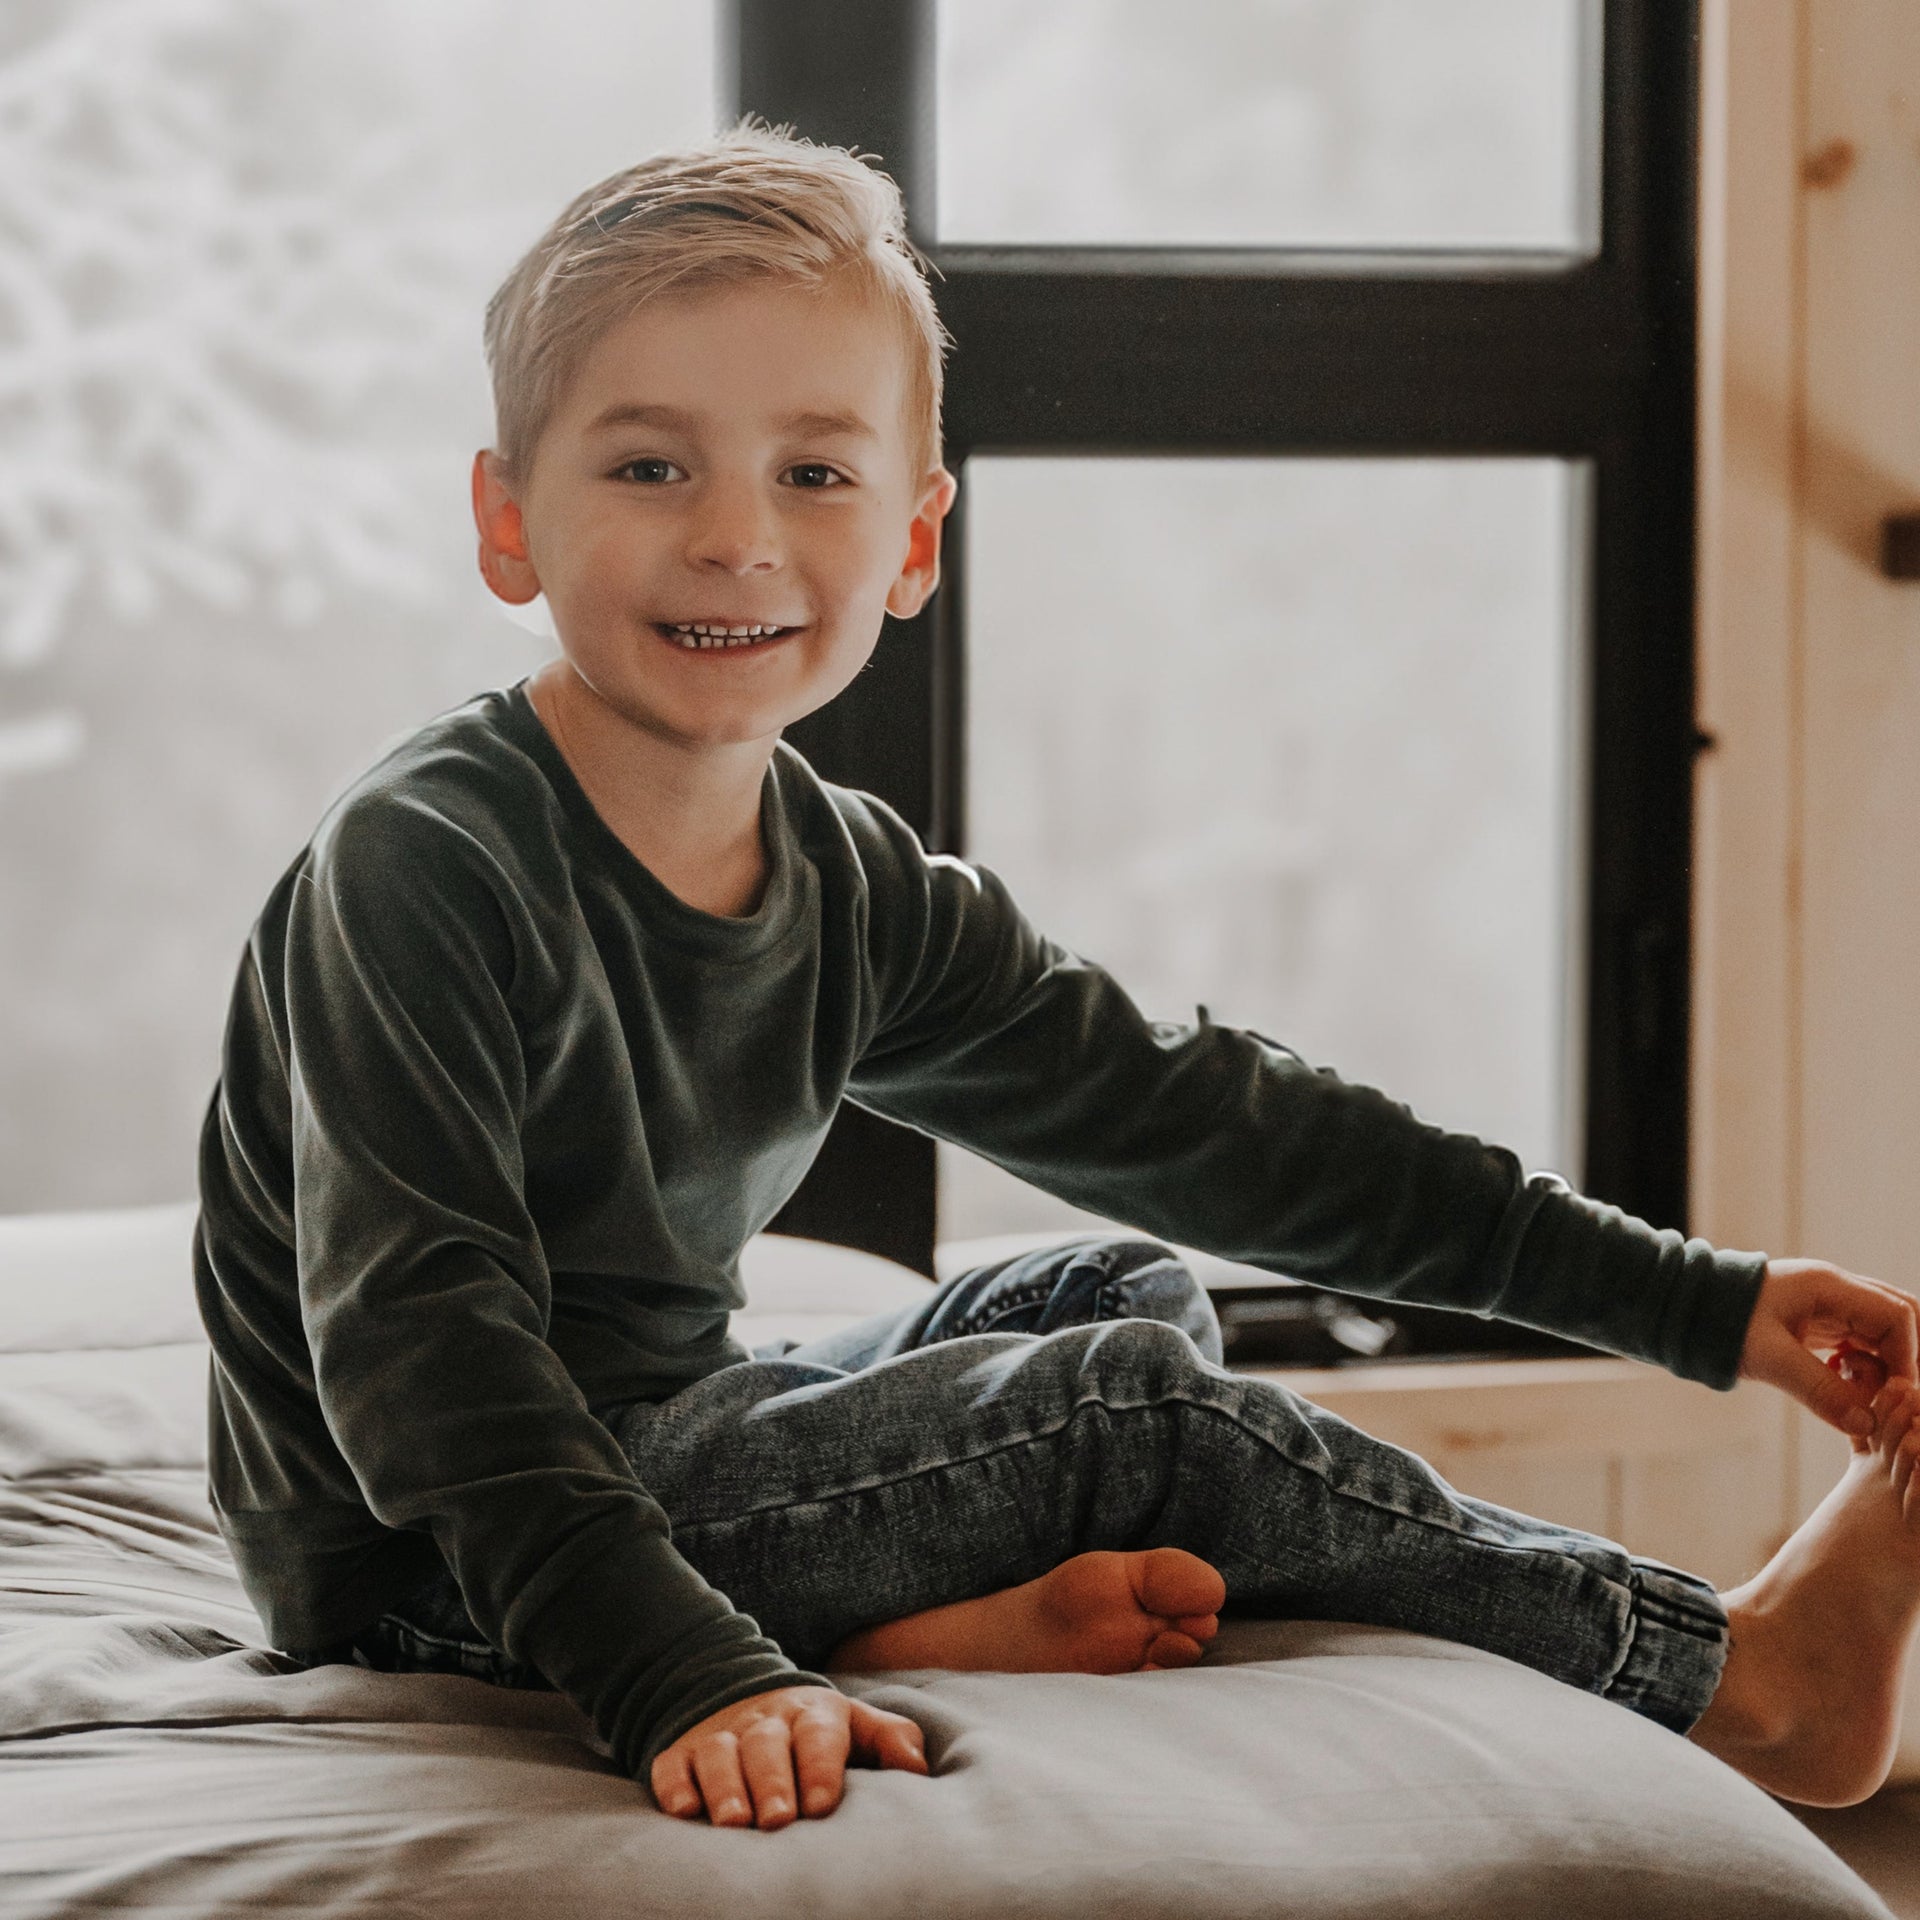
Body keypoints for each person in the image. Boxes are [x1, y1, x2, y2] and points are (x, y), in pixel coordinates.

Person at [193, 117, 1920, 1836]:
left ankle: (884, 1621)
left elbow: (1214, 1124)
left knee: (1107, 1294)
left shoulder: (847, 880)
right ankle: (1744, 1677)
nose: (736, 537)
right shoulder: (428, 862)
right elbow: (423, 1360)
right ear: (510, 521)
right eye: (650, 467)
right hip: (431, 1555)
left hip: (671, 1440)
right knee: (1134, 1413)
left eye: (814, 472)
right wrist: (677, 1675)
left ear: (916, 538)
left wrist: (1707, 1304)